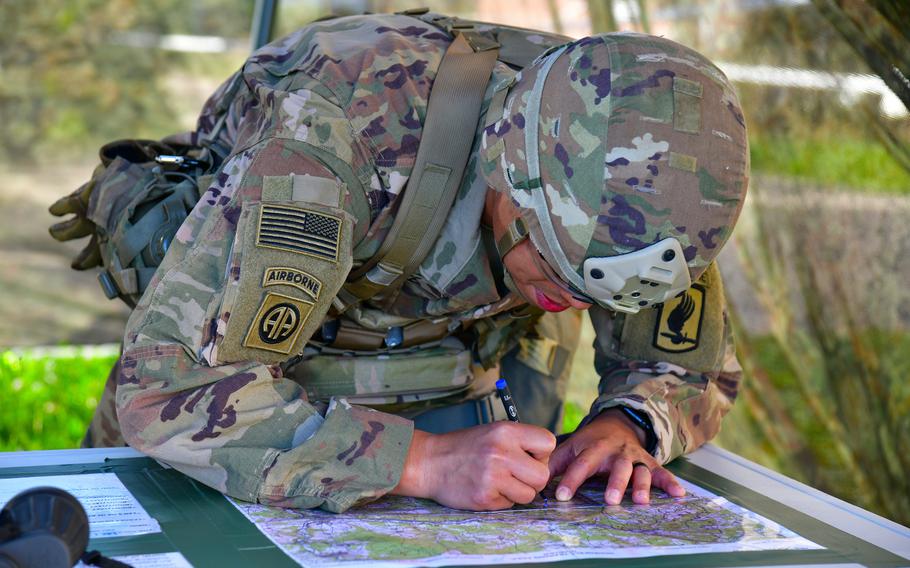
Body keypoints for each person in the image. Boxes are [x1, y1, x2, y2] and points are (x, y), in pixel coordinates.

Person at [51, 11, 748, 513]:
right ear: (506, 170)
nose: (563, 298)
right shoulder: (335, 137)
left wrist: (625, 425)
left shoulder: (639, 162)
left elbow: (691, 365)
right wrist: (424, 462)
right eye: (552, 267)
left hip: (462, 363)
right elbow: (170, 392)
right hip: (262, 366)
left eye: (590, 293)